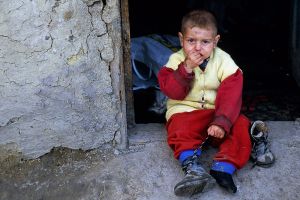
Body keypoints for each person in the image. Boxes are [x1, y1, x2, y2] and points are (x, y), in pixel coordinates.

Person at [157, 9, 272, 196]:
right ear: (181, 39)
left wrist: (222, 121)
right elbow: (172, 91)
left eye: (205, 42)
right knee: (179, 127)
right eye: (191, 41)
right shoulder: (175, 60)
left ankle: (224, 168)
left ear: (216, 41)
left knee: (241, 125)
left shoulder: (224, 61)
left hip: (216, 113)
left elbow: (231, 94)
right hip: (185, 111)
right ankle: (193, 169)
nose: (197, 48)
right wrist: (186, 68)